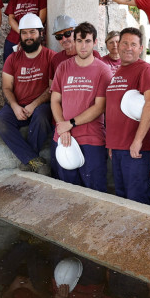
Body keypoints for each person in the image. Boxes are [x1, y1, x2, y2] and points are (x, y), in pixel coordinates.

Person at [51, 22, 113, 192]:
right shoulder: (63, 67)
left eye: (87, 41)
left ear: (95, 42)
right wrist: (62, 127)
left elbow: (100, 106)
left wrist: (70, 123)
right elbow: (55, 100)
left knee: (95, 194)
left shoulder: (103, 70)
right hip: (63, 139)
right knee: (68, 192)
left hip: (91, 139)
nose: (83, 45)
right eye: (79, 41)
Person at [0, 13, 54, 174]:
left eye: (32, 32)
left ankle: (28, 159)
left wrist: (34, 104)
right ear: (20, 35)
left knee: (42, 116)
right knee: (1, 121)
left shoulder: (50, 57)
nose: (29, 37)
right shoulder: (13, 58)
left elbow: (52, 88)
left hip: (40, 105)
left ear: (41, 33)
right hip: (18, 104)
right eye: (25, 33)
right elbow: (6, 87)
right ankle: (34, 160)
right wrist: (14, 107)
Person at [105, 27, 150, 205]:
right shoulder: (118, 72)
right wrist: (112, 143)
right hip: (118, 148)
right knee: (122, 199)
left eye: (133, 44)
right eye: (125, 43)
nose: (129, 48)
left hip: (136, 150)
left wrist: (138, 140)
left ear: (141, 48)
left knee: (137, 202)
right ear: (118, 46)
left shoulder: (145, 69)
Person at [3, 0, 47, 65]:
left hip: (32, 41)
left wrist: (28, 36)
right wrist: (22, 33)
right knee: (10, 72)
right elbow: (11, 18)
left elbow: (41, 19)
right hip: (13, 40)